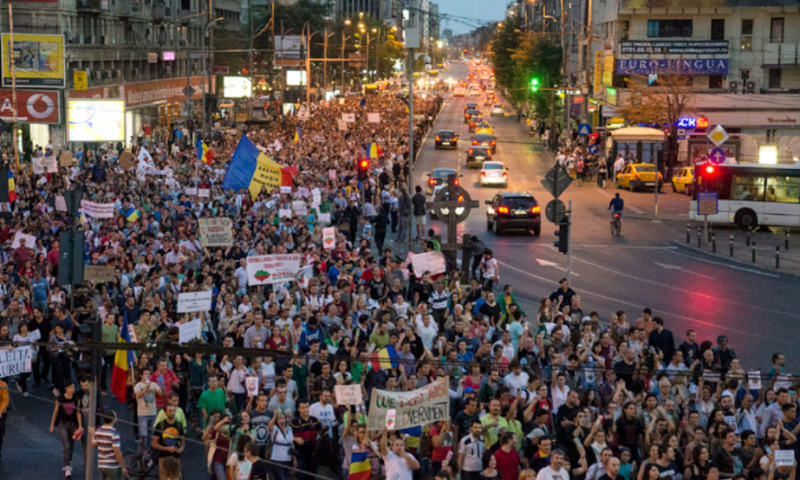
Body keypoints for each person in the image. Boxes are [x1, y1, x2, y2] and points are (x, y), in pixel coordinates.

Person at [50, 380, 82, 479]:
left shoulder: (76, 399)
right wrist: (52, 425)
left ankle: (68, 462)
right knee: (67, 445)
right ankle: (67, 467)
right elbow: (56, 411)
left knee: (71, 446)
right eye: (70, 387)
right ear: (66, 388)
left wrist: (80, 425)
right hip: (62, 423)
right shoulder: (60, 399)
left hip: (73, 424)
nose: (73, 389)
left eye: (74, 387)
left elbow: (78, 412)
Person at [89, 412, 129, 480]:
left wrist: (92, 433)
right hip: (111, 466)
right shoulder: (114, 433)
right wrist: (123, 467)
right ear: (113, 420)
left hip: (102, 465)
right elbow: (117, 452)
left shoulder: (99, 430)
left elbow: (94, 444)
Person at [152, 404, 185, 480]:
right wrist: (168, 449)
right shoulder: (160, 425)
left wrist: (181, 448)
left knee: (176, 477)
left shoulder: (179, 425)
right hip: (163, 457)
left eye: (173, 411)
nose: (172, 413)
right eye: (170, 411)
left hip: (175, 457)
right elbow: (154, 444)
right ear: (165, 412)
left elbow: (182, 440)